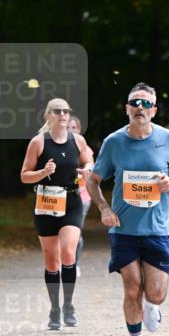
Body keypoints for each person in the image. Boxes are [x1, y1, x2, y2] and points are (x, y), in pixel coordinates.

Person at [86, 82, 169, 336]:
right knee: (132, 288)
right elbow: (93, 181)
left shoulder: (167, 139)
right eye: (135, 103)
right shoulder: (113, 142)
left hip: (157, 229)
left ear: (153, 110)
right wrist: (104, 208)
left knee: (154, 292)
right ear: (127, 108)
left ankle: (153, 307)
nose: (139, 108)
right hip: (124, 230)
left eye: (145, 104)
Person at [20, 98, 94, 330]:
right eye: (57, 111)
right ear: (48, 115)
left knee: (68, 252)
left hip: (72, 201)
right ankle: (54, 309)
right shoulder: (38, 143)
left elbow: (89, 161)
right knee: (52, 261)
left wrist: (87, 170)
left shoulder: (78, 141)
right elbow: (24, 175)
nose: (63, 115)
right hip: (46, 204)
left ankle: (69, 305)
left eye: (66, 111)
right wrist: (43, 171)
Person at [67, 115, 95, 276]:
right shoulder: (56, 146)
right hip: (60, 196)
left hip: (81, 196)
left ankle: (74, 264)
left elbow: (90, 168)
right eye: (68, 127)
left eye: (74, 128)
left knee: (75, 231)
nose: (71, 131)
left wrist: (86, 170)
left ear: (79, 130)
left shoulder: (85, 148)